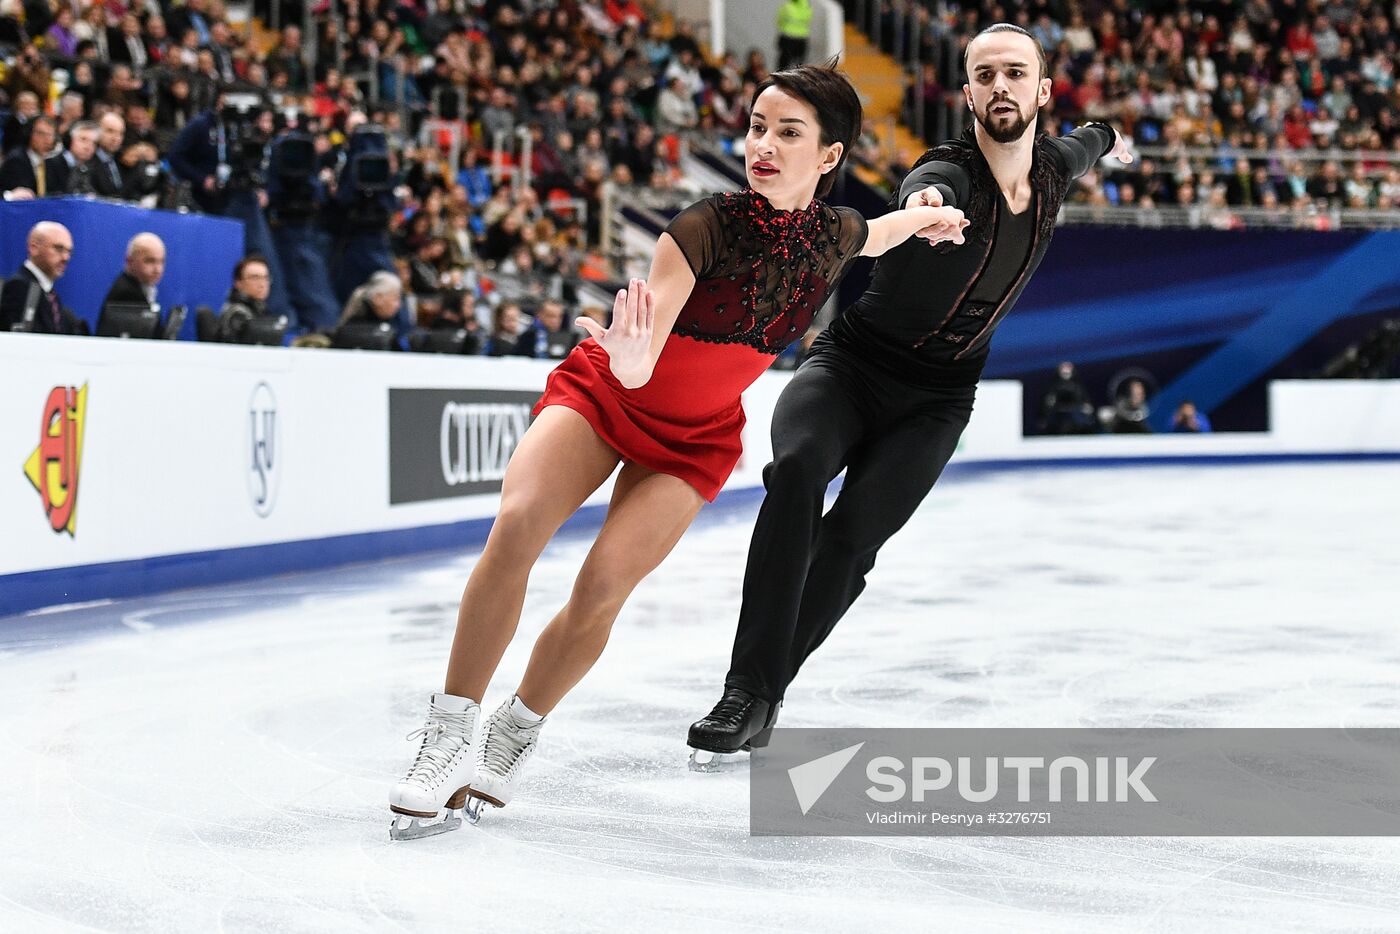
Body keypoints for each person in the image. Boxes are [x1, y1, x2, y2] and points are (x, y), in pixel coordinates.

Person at [386, 62, 967, 840]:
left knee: (602, 588)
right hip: (607, 395)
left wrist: (928, 214)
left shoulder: (836, 233)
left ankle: (512, 730)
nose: (763, 143)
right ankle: (449, 733)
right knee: (518, 524)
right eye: (758, 125)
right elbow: (645, 342)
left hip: (693, 438)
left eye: (788, 132)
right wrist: (629, 360)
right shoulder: (705, 224)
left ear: (829, 157)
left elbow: (882, 233)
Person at [686, 24, 1134, 765]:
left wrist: (1108, 130)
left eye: (1015, 73)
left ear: (1041, 91)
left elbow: (1089, 140)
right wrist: (927, 206)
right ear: (966, 94)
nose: (1000, 86)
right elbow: (927, 184)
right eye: (984, 75)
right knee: (795, 473)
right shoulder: (947, 170)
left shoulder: (1055, 164)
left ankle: (765, 694)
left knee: (851, 542)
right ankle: (744, 690)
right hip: (851, 369)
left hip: (938, 400)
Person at [0, 221, 86, 335]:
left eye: (69, 252)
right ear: (34, 248)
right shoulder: (19, 287)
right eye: (58, 248)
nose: (66, 258)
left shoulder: (50, 295)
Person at [99, 233, 166, 330]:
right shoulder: (127, 294)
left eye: (161, 261)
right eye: (150, 261)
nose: (157, 269)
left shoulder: (139, 288)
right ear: (129, 261)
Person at [215, 255, 273, 342]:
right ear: (238, 283)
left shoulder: (261, 310)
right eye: (255, 278)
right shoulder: (236, 314)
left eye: (265, 278)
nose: (262, 284)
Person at [0, 116, 55, 199]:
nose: (47, 139)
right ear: (29, 134)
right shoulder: (16, 160)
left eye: (50, 135)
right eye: (41, 134)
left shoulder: (53, 161)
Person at [1039, 360, 1095, 434]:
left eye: (1068, 373)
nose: (1066, 375)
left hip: (1076, 414)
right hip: (1057, 415)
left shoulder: (1078, 388)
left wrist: (1085, 408)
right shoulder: (1053, 388)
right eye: (1064, 373)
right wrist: (1050, 405)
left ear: (1072, 373)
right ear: (1059, 372)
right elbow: (1046, 406)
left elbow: (1087, 405)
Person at [776, 0, 812, 71]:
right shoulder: (807, 6)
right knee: (799, 65)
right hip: (802, 38)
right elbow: (808, 19)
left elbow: (779, 21)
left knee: (783, 65)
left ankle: (781, 80)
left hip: (788, 37)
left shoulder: (787, 6)